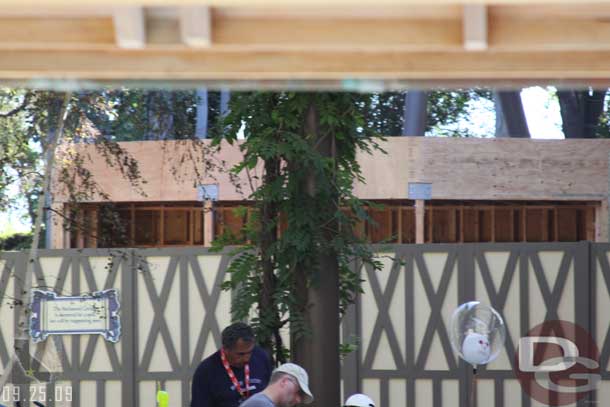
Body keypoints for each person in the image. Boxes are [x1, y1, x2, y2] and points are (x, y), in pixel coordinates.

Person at [191, 322, 272, 407]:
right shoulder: (206, 371)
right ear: (226, 349)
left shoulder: (261, 357)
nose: (247, 358)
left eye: (250, 352)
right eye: (241, 354)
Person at [239, 363, 313, 407]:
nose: (298, 400)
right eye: (298, 391)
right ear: (285, 382)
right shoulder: (261, 404)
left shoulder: (260, 402)